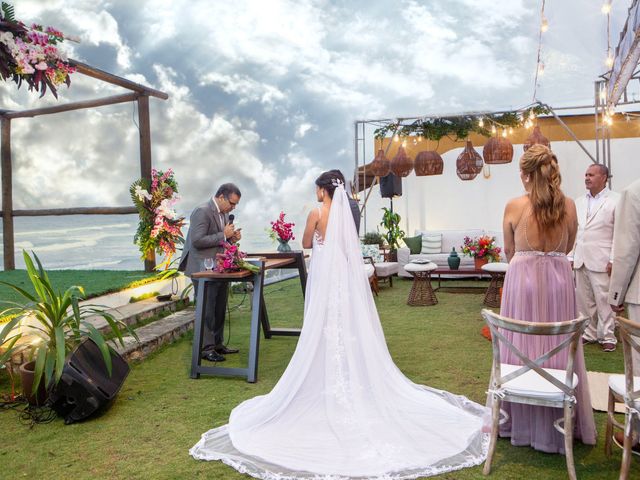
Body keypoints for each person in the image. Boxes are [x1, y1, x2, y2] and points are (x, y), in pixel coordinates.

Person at [190, 170, 489, 478]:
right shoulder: (346, 215)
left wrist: (315, 235)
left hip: (322, 273)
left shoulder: (317, 212)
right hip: (341, 276)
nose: (316, 193)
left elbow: (306, 243)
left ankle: (323, 371)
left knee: (322, 322)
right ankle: (350, 371)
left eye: (317, 189)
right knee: (344, 323)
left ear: (322, 190)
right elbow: (348, 249)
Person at [498, 145, 596, 453]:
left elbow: (509, 251)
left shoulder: (513, 206)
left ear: (525, 174)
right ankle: (559, 418)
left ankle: (520, 421)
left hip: (520, 284)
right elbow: (567, 247)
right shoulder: (568, 206)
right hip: (558, 282)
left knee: (520, 348)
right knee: (557, 348)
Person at [179, 183, 242, 363]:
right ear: (221, 197)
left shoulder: (223, 213)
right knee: (207, 309)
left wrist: (231, 237)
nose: (233, 207)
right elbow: (197, 241)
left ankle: (217, 344)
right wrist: (223, 235)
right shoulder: (202, 211)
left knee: (219, 307)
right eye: (232, 203)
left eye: (236, 204)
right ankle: (206, 349)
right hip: (202, 268)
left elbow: (219, 239)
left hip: (219, 267)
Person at [570, 164, 619, 352]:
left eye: (591, 175)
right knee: (583, 299)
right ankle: (589, 333)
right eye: (585, 174)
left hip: (602, 258)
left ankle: (608, 336)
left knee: (604, 300)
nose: (587, 178)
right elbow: (575, 231)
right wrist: (570, 255)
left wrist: (614, 259)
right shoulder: (578, 201)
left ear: (604, 177)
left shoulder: (616, 200)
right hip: (581, 257)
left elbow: (619, 233)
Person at [608, 177, 640, 453]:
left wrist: (615, 295)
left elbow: (627, 250)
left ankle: (639, 436)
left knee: (639, 367)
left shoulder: (634, 192)